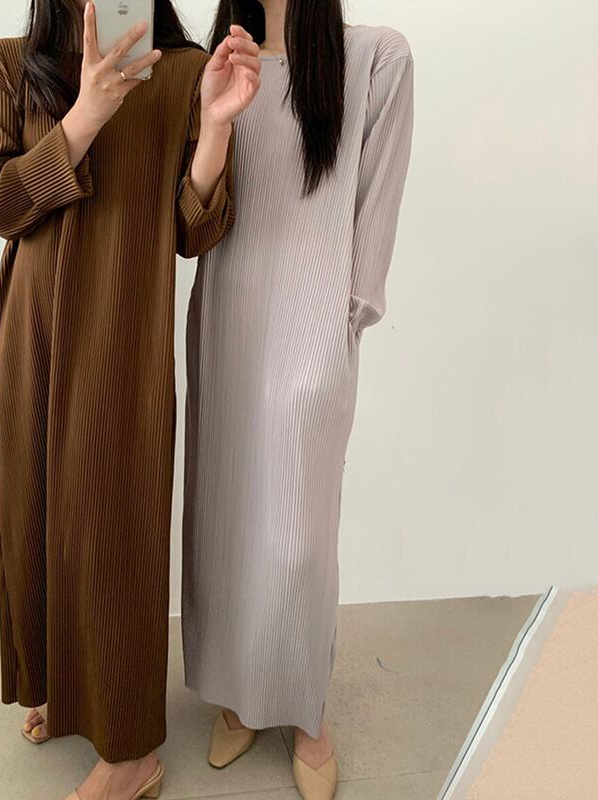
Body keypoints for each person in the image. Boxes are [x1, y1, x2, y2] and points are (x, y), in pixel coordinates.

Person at [0, 1, 261, 797]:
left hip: (123, 336)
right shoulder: (3, 67)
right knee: (32, 517)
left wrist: (217, 126)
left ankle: (131, 752)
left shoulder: (185, 76)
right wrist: (86, 115)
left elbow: (195, 230)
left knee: (115, 531)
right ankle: (63, 690)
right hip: (29, 336)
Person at [182, 1, 413, 798]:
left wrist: (347, 322)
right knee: (226, 516)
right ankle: (239, 691)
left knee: (299, 536)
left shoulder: (377, 58)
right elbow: (193, 206)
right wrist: (214, 115)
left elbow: (377, 205)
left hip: (315, 326)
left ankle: (305, 709)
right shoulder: (216, 59)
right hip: (228, 314)